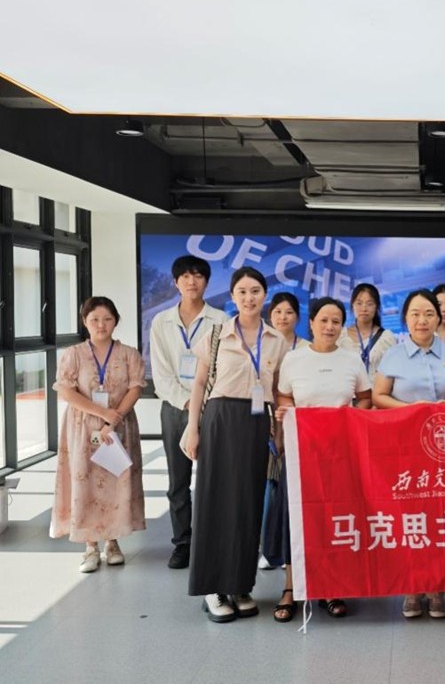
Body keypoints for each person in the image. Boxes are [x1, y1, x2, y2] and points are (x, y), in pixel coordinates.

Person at [184, 267, 288, 623]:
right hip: (220, 418)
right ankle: (213, 588)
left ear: (264, 295)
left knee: (248, 503)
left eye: (255, 290)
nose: (249, 297)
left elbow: (279, 392)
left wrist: (278, 433)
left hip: (257, 422)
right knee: (214, 502)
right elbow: (199, 384)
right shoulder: (216, 334)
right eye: (242, 291)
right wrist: (193, 429)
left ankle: (241, 584)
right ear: (232, 296)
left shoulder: (276, 340)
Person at [273, 297, 372, 622]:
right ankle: (291, 588)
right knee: (295, 517)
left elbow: (365, 398)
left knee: (334, 517)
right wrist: (288, 410)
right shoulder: (294, 359)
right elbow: (284, 395)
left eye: (336, 322)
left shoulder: (351, 359)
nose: (330, 327)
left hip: (339, 454)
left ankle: (331, 585)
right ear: (312, 323)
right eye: (324, 321)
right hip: (301, 453)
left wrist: (350, 418)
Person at [373, 289, 445, 619]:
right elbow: (378, 396)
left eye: (428, 313)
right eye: (415, 313)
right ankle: (412, 587)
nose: (422, 320)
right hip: (404, 447)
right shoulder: (393, 355)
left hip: (443, 448)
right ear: (405, 319)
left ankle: (437, 588)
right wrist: (413, 410)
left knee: (441, 514)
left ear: (438, 317)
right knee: (410, 516)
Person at [51, 297, 146, 573]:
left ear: (115, 321)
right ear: (85, 322)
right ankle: (90, 546)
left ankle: (112, 543)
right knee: (85, 481)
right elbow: (66, 391)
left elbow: (136, 388)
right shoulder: (73, 354)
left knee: (116, 479)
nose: (101, 325)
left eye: (107, 319)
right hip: (83, 427)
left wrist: (114, 418)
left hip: (119, 425)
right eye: (94, 319)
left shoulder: (129, 354)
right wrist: (102, 413)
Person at [149, 255, 226, 570]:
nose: (191, 281)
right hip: (175, 408)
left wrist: (204, 403)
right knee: (177, 482)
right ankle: (182, 543)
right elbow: (161, 373)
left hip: (212, 407)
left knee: (214, 481)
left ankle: (213, 542)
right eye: (185, 276)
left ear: (206, 282)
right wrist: (187, 402)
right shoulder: (161, 321)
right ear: (175, 282)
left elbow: (223, 369)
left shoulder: (221, 319)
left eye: (197, 276)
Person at [259, 291, 305, 571]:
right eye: (277, 312)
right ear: (270, 315)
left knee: (295, 489)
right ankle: (269, 547)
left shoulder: (307, 348)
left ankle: (293, 546)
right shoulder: (262, 346)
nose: (283, 317)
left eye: (289, 312)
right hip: (267, 421)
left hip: (300, 425)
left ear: (298, 317)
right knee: (269, 486)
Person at [338, 282, 396, 380]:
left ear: (376, 306)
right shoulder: (340, 336)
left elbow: (392, 371)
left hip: (376, 389)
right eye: (359, 303)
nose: (364, 308)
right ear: (352, 305)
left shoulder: (386, 337)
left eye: (369, 304)